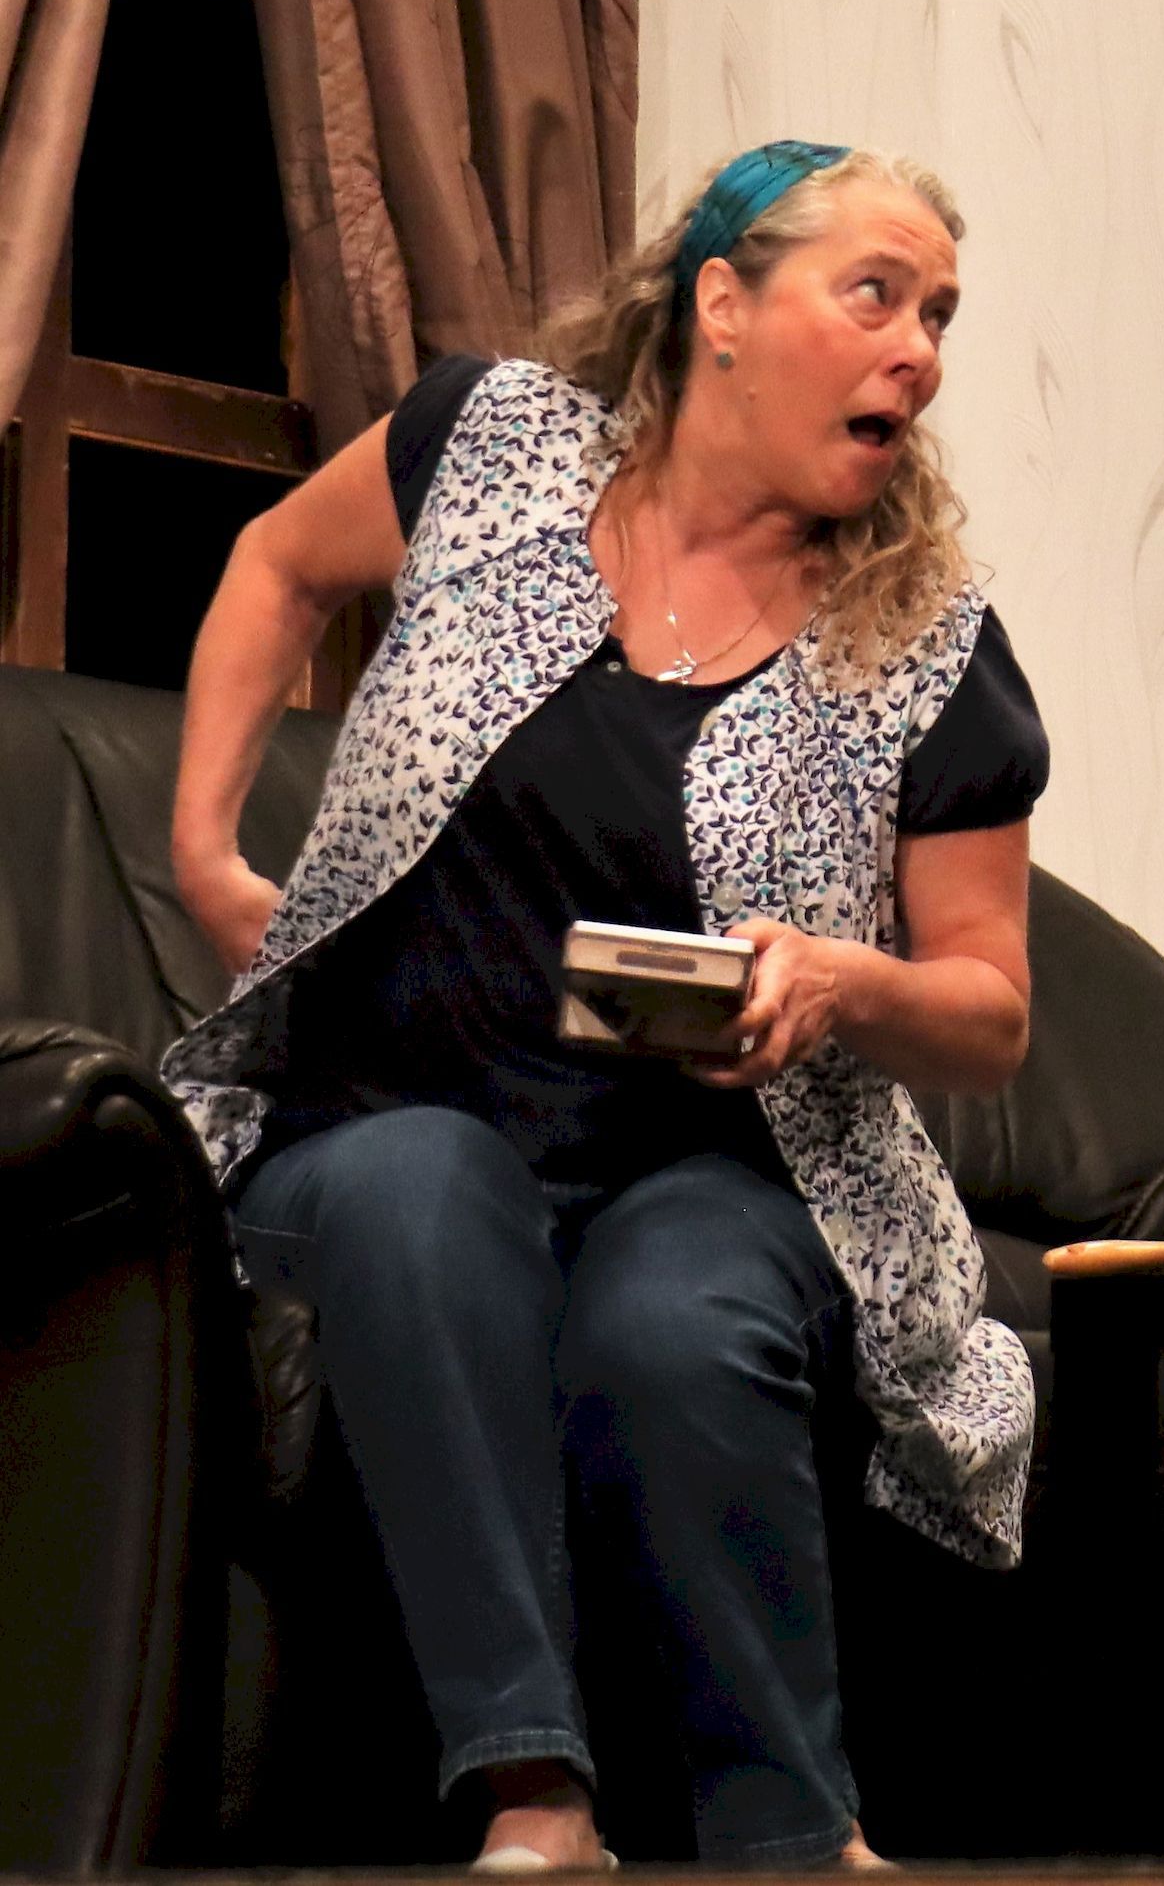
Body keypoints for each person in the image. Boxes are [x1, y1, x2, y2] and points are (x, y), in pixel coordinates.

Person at [164, 140, 1049, 1871]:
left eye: (940, 315)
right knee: (426, 1189)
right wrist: (205, 852)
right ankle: (536, 1799)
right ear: (723, 304)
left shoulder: (927, 641)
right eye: (876, 294)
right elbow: (275, 563)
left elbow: (992, 1007)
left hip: (711, 1172)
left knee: (676, 1319)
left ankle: (794, 1838)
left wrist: (843, 979)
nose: (919, 350)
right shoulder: (490, 445)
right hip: (378, 1123)